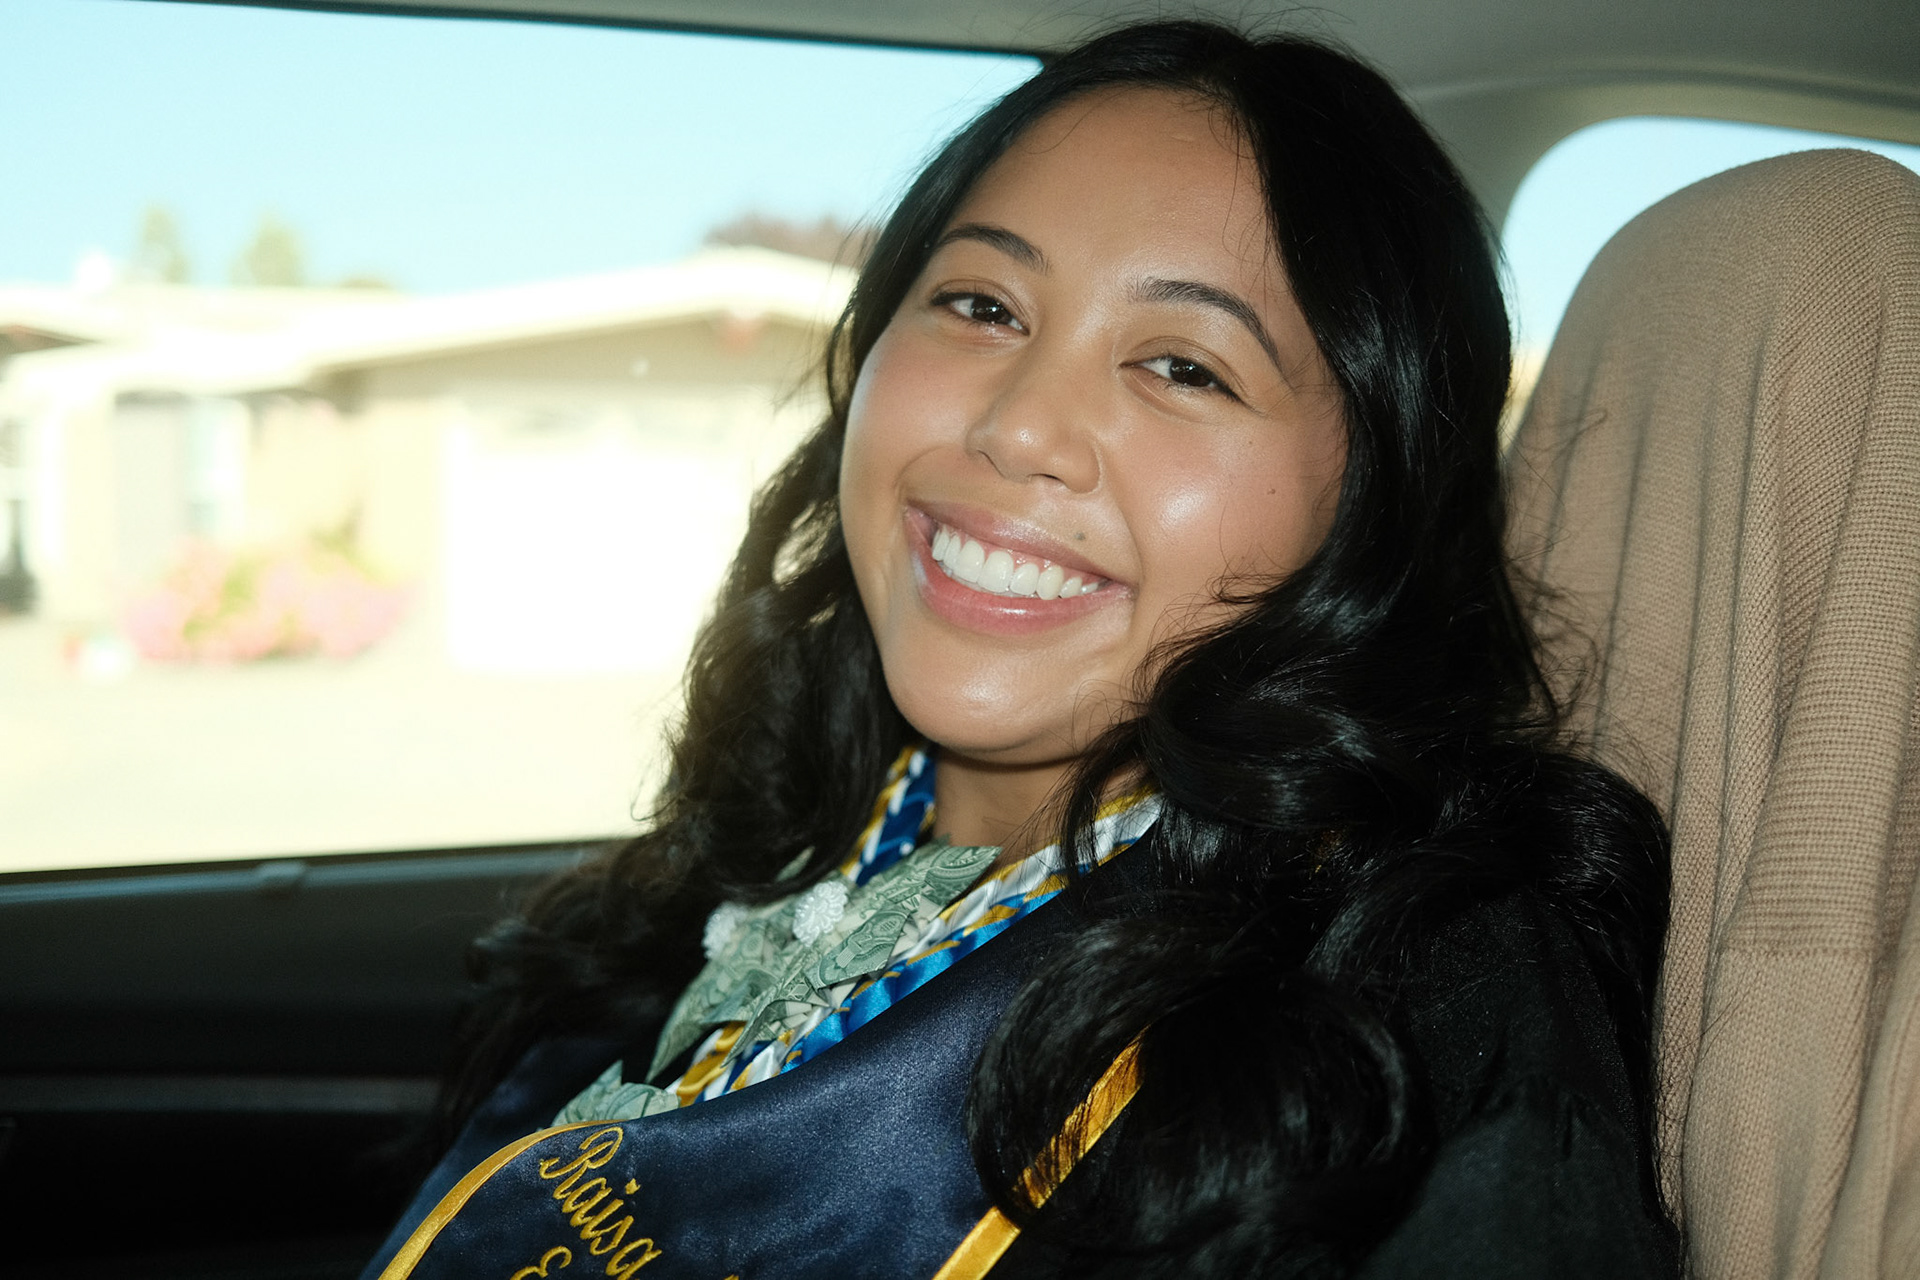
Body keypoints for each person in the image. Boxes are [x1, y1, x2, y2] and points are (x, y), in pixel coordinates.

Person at [363, 20, 1677, 1279]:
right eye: (983, 304)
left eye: (1184, 367)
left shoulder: (1420, 1006)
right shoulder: (775, 845)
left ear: (1371, 510)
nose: (1018, 427)